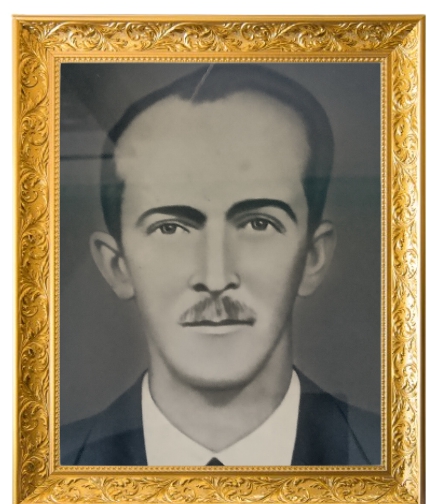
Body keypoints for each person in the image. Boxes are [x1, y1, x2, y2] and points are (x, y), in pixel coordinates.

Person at [61, 64, 380, 466]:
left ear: (313, 258)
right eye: (171, 228)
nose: (215, 277)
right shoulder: (38, 471)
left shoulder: (408, 464)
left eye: (258, 224)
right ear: (116, 265)